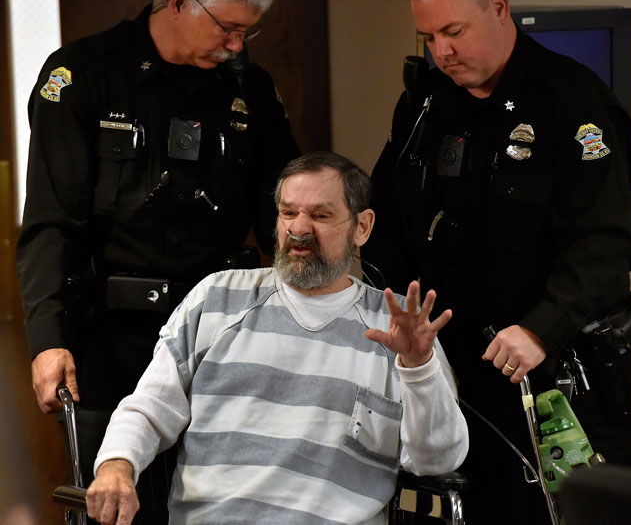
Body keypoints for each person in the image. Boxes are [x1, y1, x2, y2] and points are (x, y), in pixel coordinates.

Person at [16, 0, 299, 522]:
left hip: (219, 341)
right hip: (111, 339)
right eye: (229, 28)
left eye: (248, 31)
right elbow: (52, 222)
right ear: (178, 2)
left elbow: (286, 212)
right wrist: (48, 339)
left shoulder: (251, 91)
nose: (238, 45)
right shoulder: (83, 75)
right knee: (117, 506)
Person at [361, 0, 631, 523]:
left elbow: (604, 243)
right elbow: (386, 215)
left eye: (453, 31)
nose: (442, 51)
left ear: (499, 6)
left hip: (545, 368)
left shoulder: (574, 103)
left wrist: (542, 327)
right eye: (429, 35)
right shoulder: (425, 103)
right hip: (445, 367)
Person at [85, 151, 469, 525]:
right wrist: (117, 465)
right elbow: (150, 407)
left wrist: (419, 368)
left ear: (362, 227)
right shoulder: (217, 298)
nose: (299, 230)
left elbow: (436, 460)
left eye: (320, 215)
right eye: (288, 213)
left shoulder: (399, 326)